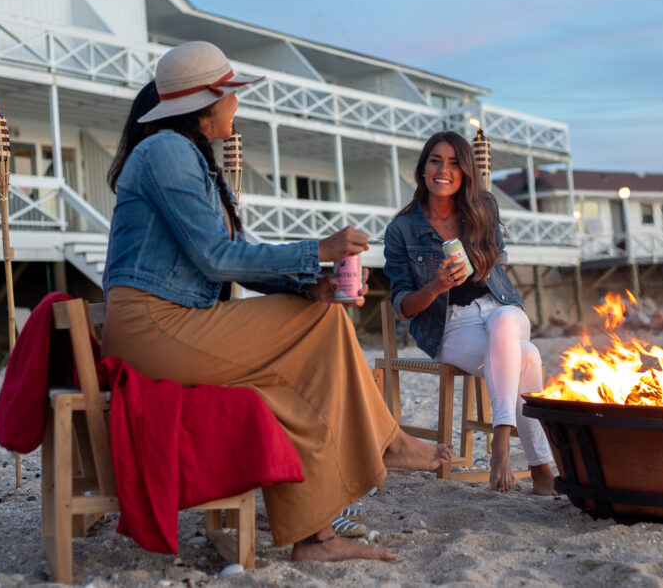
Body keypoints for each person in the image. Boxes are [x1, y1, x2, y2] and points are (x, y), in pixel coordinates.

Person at [101, 41, 452, 562]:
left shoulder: (182, 153)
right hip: (155, 327)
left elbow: (231, 254)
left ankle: (316, 536)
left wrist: (312, 285)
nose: (236, 107)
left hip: (174, 323)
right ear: (209, 100)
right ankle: (385, 440)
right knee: (321, 327)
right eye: (232, 97)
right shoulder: (166, 151)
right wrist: (319, 251)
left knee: (315, 336)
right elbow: (219, 259)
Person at [382, 131, 558, 495]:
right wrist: (436, 287)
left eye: (454, 163)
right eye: (435, 160)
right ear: (423, 168)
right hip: (450, 327)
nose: (443, 170)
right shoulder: (401, 229)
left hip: (502, 308)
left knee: (507, 321)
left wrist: (481, 257)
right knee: (528, 355)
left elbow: (500, 261)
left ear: (466, 172)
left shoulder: (483, 207)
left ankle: (501, 442)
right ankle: (541, 469)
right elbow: (402, 307)